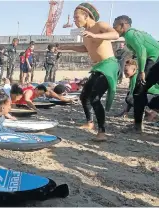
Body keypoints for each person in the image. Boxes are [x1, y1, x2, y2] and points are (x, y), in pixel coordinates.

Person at [59, 3, 120, 141]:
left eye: (76, 17)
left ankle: (102, 132)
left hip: (109, 66)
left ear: (86, 16)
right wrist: (66, 47)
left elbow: (115, 34)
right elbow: (85, 48)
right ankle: (90, 123)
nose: (74, 20)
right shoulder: (85, 33)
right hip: (98, 67)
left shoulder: (99, 26)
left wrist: (94, 35)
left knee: (95, 98)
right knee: (84, 96)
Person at [113, 15, 159, 133]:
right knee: (139, 92)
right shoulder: (131, 36)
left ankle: (138, 126)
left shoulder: (131, 34)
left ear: (122, 25)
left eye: (115, 26)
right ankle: (138, 125)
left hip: (154, 59)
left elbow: (142, 52)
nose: (114, 29)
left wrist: (142, 71)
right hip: (154, 59)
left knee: (139, 91)